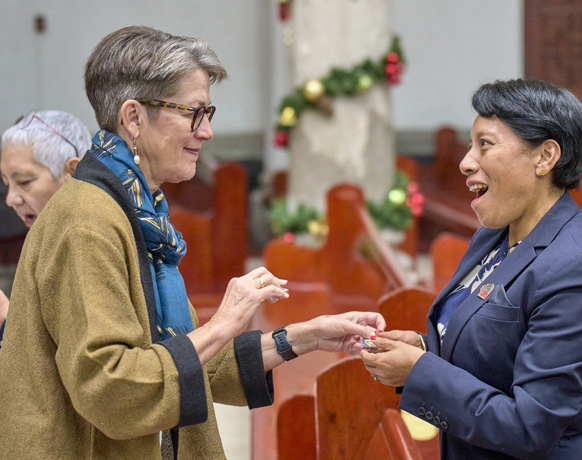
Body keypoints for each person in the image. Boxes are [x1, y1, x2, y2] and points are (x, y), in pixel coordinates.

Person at [0, 25, 384, 460]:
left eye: (208, 113)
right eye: (193, 113)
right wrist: (224, 322)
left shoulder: (139, 209)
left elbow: (181, 358)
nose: (207, 132)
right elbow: (113, 389)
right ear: (133, 118)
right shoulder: (87, 221)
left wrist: (305, 336)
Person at [362, 79, 582, 459]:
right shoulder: (496, 235)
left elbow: (529, 427)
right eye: (471, 145)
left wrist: (419, 372)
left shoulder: (576, 270)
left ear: (545, 157)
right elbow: (495, 353)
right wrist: (422, 347)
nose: (467, 161)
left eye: (485, 144)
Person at [0, 110, 91, 349]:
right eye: (7, 183)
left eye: (25, 182)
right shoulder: (46, 239)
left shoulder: (86, 239)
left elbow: (76, 357)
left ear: (72, 172)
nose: (10, 199)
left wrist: (5, 316)